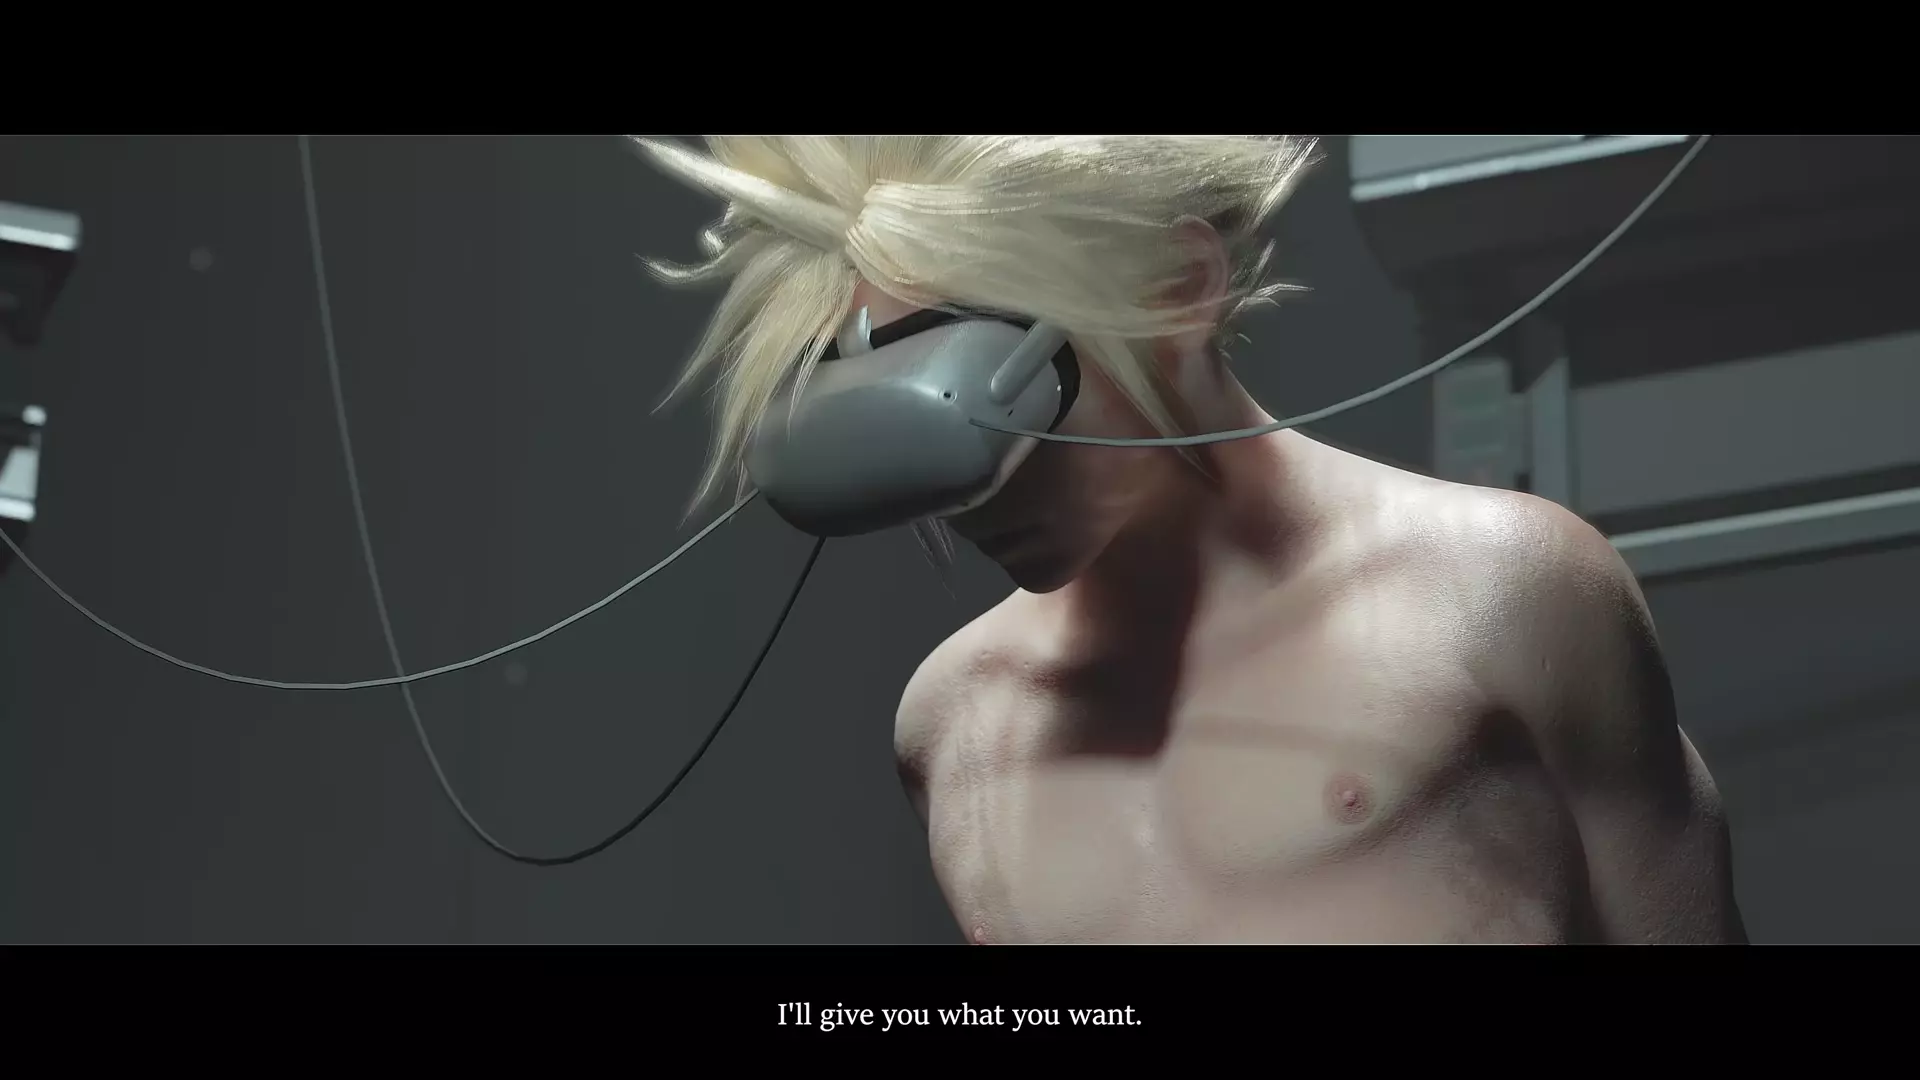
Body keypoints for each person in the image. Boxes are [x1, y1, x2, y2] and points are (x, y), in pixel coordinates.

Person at [637, 136, 1747, 944]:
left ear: (1178, 288)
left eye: (991, 414)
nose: (973, 499)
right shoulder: (956, 727)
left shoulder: (1501, 594)